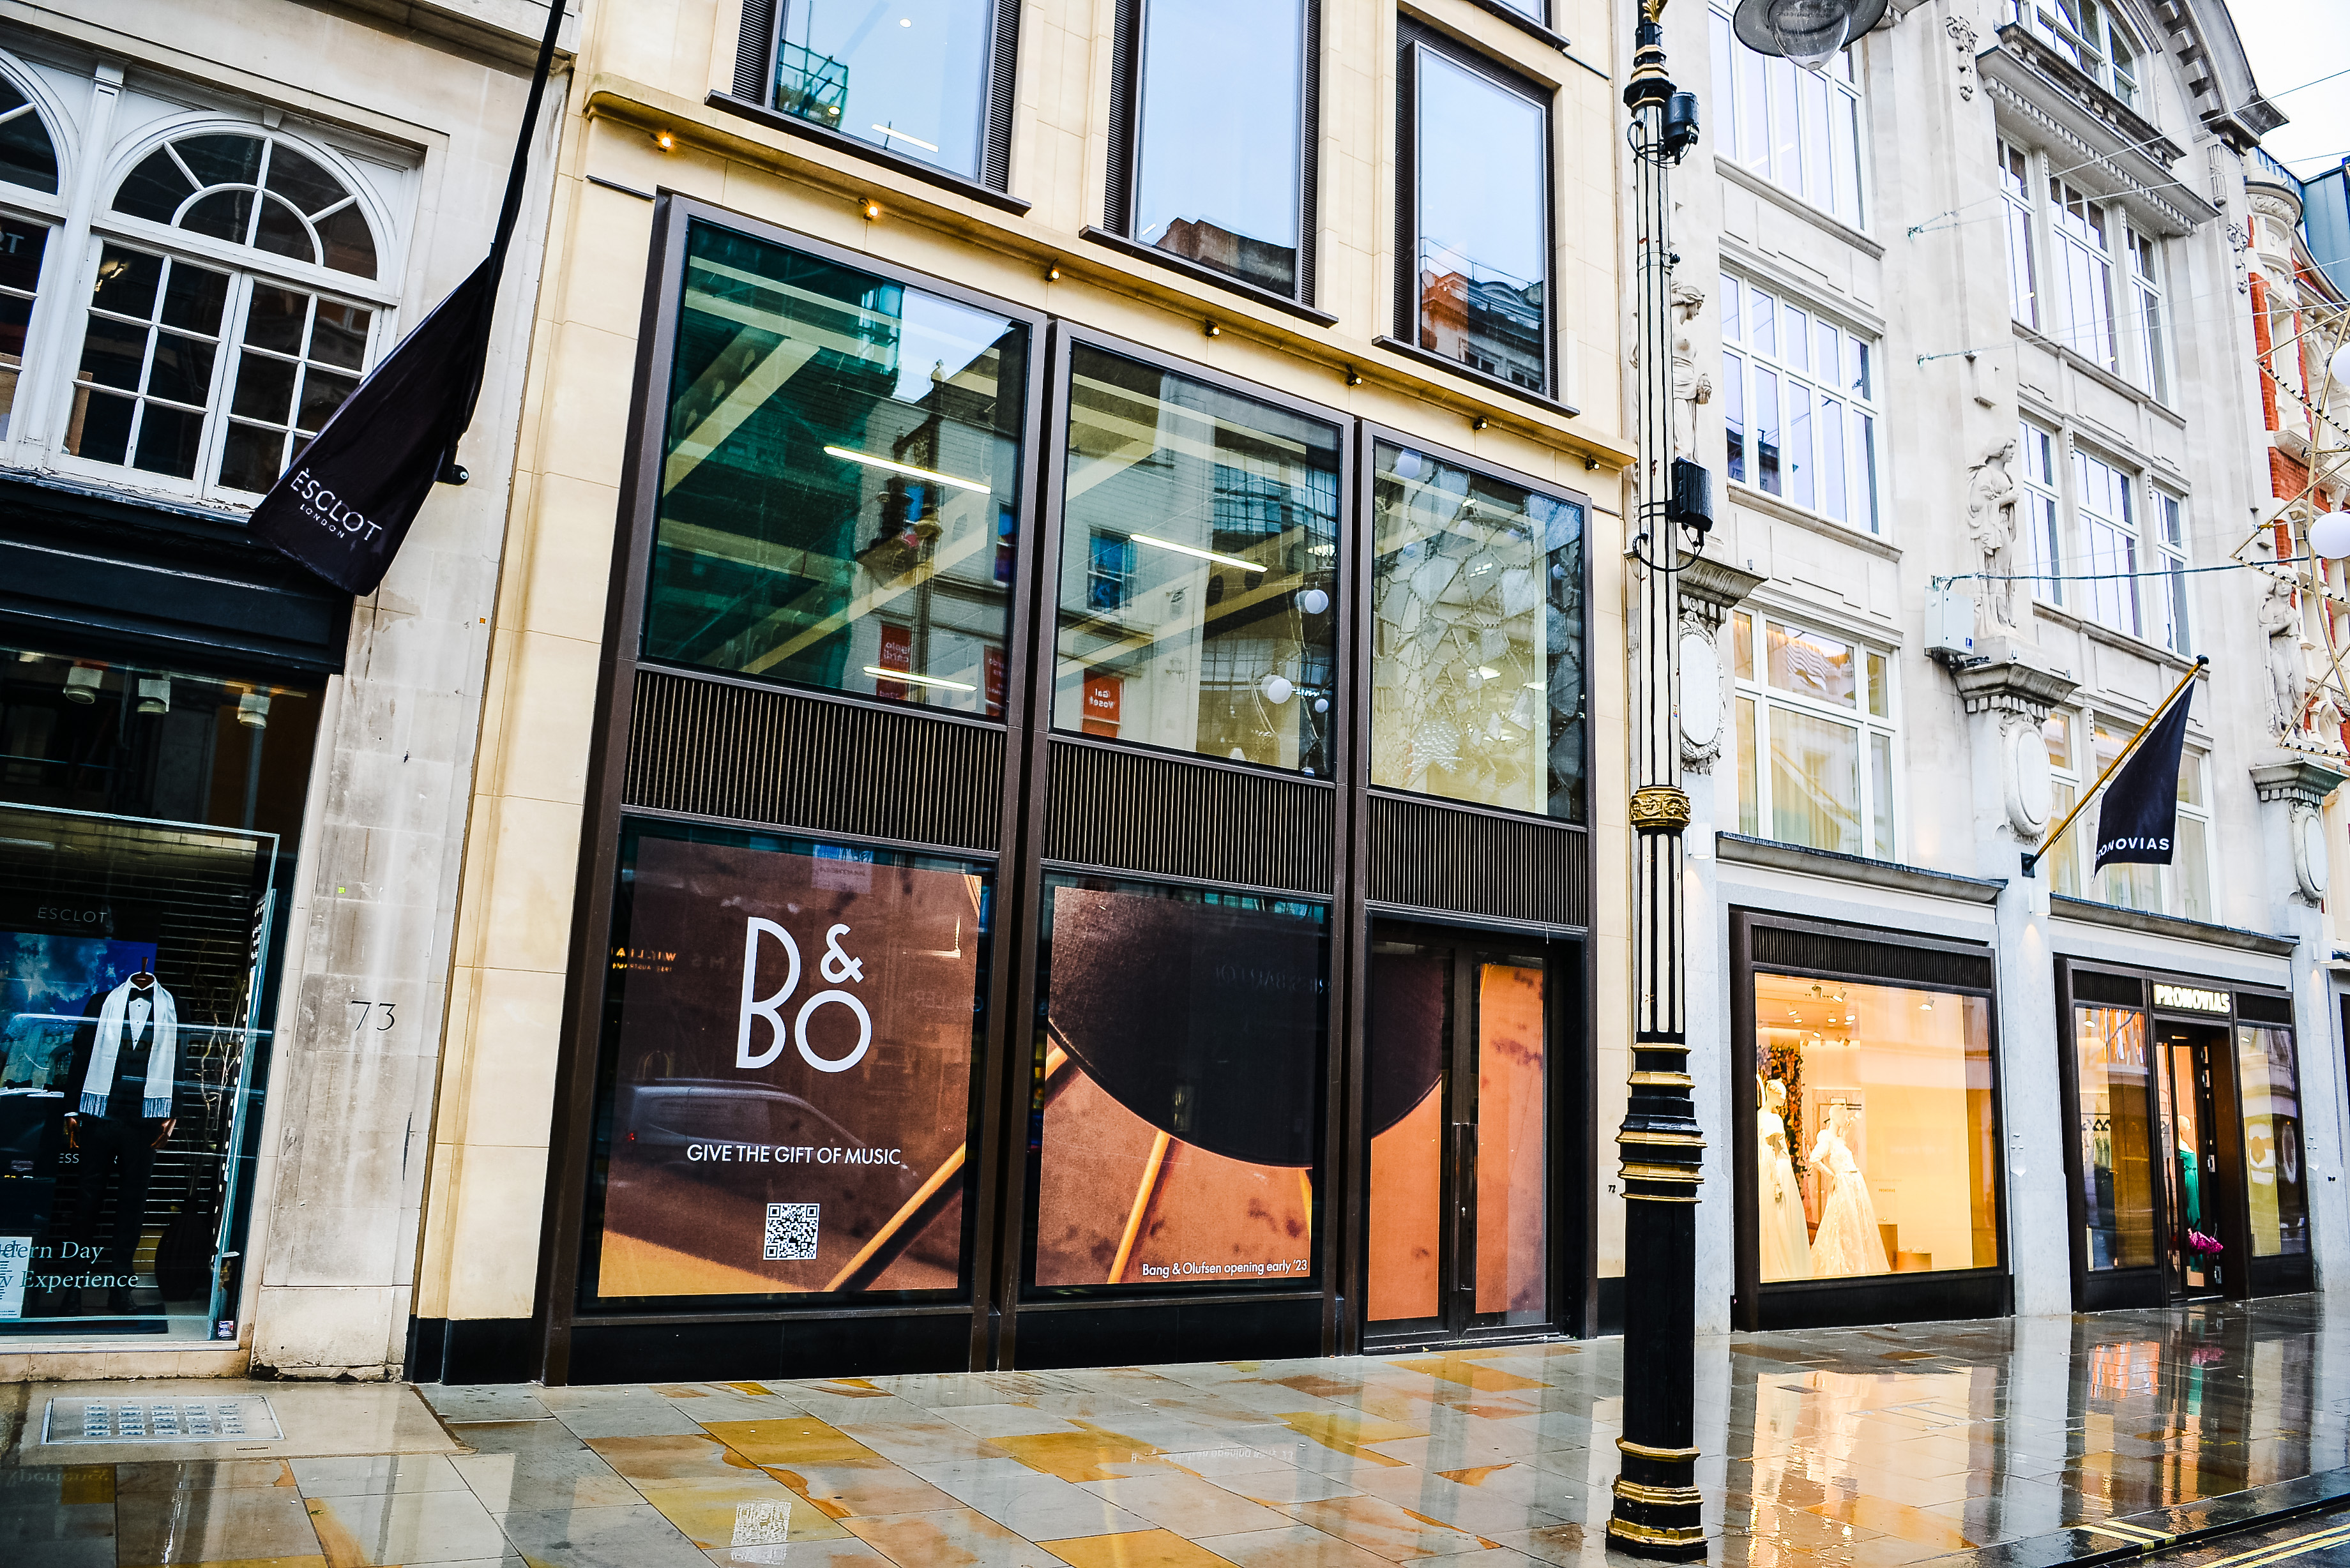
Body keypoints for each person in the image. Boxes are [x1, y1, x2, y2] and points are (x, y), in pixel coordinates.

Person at [59, 972, 178, 1316]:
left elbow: (180, 1057)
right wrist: (72, 1107)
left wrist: (175, 1110)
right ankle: (71, 1289)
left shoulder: (174, 1006)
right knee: (85, 1203)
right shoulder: (101, 1001)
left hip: (145, 1118)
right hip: (99, 1113)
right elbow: (80, 1053)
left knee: (132, 1206)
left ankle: (120, 1291)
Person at [1806, 1103, 1888, 1278]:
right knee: (1843, 1224)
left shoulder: (1840, 1140)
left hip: (1854, 1183)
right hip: (1843, 1184)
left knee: (1857, 1225)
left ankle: (1857, 1265)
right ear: (1834, 1117)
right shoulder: (1827, 1139)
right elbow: (1815, 1159)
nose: (1846, 1119)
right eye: (1843, 1116)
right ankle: (1843, 1266)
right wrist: (1832, 1176)